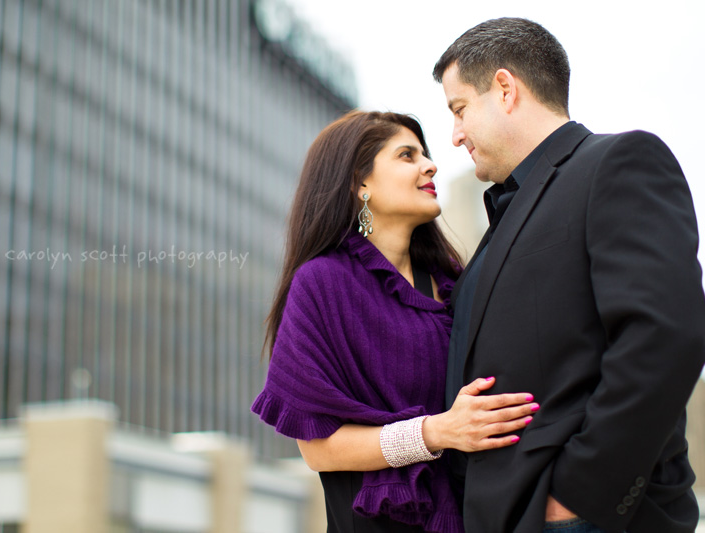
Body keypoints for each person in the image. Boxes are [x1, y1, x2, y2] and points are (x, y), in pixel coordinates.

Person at [433, 17, 705, 533]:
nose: (455, 135)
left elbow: (664, 335)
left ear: (506, 89)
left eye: (459, 109)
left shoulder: (618, 162)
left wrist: (577, 498)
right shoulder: (505, 216)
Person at [251, 110, 539, 532]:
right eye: (407, 155)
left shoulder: (453, 282)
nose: (430, 165)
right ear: (360, 183)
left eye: (425, 153)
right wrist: (436, 432)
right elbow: (317, 450)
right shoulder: (322, 282)